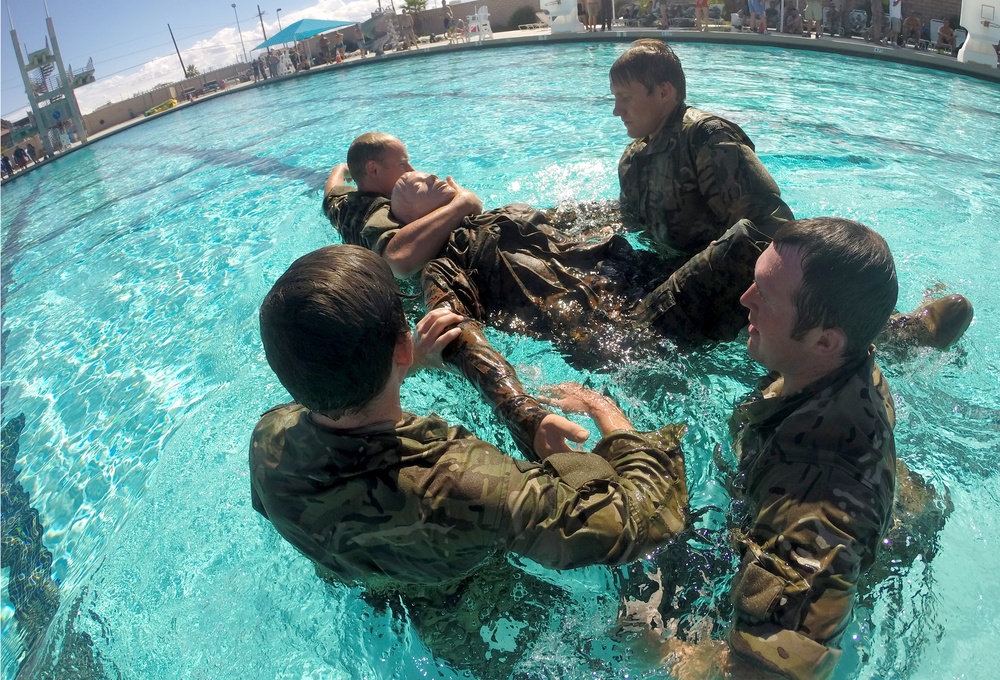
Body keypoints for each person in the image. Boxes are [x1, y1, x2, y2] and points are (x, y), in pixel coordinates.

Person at [250, 244, 690, 670]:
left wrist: (406, 364)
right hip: (488, 615)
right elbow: (636, 524)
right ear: (401, 344)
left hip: (417, 616)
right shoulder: (463, 482)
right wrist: (603, 413)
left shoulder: (268, 441)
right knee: (651, 636)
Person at [654, 218, 900, 680]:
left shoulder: (816, 520)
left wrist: (658, 645)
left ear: (825, 341)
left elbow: (759, 673)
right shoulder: (834, 364)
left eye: (764, 295)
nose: (745, 299)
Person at [322, 133, 586, 458]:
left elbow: (332, 186)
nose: (413, 169)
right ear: (374, 169)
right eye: (403, 164)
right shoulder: (387, 219)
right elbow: (398, 260)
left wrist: (343, 170)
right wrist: (464, 203)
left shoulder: (342, 204)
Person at [612, 40, 795, 342]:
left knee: (630, 341)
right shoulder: (633, 159)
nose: (617, 110)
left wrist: (697, 276)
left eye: (625, 97)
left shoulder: (708, 140)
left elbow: (772, 230)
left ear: (663, 92)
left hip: (730, 288)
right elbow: (634, 228)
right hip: (671, 271)